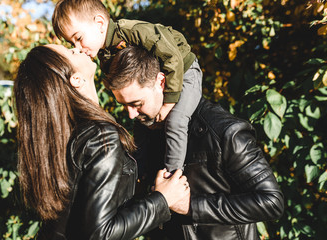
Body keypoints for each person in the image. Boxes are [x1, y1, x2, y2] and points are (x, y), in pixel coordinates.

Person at [103, 46, 285, 240]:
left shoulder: (224, 131)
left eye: (137, 104)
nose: (131, 114)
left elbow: (272, 202)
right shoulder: (147, 129)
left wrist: (190, 205)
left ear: (161, 82)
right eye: (124, 105)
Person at [13, 44, 191, 240]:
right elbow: (100, 234)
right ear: (76, 79)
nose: (78, 48)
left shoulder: (60, 135)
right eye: (71, 52)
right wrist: (163, 200)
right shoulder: (99, 136)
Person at [51, 0, 203, 175]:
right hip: (158, 82)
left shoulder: (131, 30)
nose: (77, 48)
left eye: (78, 38)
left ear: (100, 23)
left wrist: (169, 102)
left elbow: (171, 56)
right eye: (72, 43)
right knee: (140, 127)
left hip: (184, 72)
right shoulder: (105, 55)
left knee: (175, 121)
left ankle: (172, 175)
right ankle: (139, 175)